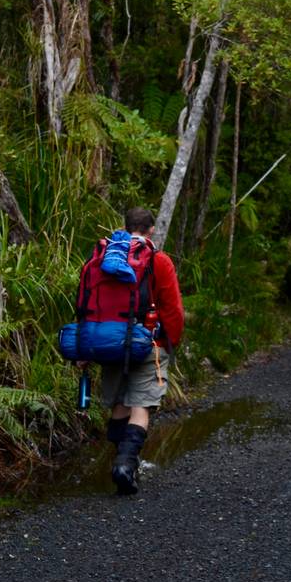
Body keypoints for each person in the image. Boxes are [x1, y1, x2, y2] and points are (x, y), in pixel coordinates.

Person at [100, 207, 184, 495]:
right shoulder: (158, 260)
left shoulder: (107, 256)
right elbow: (172, 309)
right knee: (141, 406)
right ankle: (125, 465)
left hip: (109, 341)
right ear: (151, 230)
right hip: (148, 343)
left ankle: (123, 461)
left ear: (126, 226)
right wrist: (171, 342)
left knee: (120, 403)